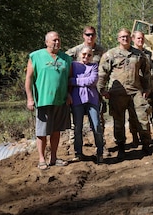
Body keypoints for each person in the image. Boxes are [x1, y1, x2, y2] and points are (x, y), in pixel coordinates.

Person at [97, 28, 152, 159]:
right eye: (122, 37)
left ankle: (146, 145)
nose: (125, 39)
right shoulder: (110, 55)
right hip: (117, 93)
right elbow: (102, 73)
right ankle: (121, 146)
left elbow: (146, 72)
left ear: (131, 38)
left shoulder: (138, 54)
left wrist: (147, 88)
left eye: (127, 36)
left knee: (142, 118)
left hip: (135, 91)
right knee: (118, 121)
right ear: (118, 39)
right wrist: (102, 90)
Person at [25, 31, 72, 170]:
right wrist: (30, 98)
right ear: (46, 42)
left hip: (60, 100)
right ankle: (41, 158)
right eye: (54, 40)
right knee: (42, 132)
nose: (57, 43)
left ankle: (54, 157)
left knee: (56, 131)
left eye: (58, 40)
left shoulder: (66, 58)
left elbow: (69, 78)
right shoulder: (36, 56)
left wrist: (69, 93)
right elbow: (28, 78)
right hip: (43, 100)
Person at [66, 26, 107, 148]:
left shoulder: (101, 51)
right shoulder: (76, 50)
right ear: (83, 35)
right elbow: (64, 60)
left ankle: (101, 146)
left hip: (96, 90)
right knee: (76, 123)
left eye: (93, 34)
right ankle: (73, 146)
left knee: (98, 120)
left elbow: (105, 68)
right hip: (77, 93)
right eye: (88, 34)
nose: (90, 37)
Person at [69, 46, 104, 164]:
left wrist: (76, 81)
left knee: (96, 126)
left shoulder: (94, 66)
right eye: (84, 54)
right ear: (79, 54)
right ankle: (78, 153)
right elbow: (69, 80)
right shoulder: (73, 66)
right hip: (77, 100)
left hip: (92, 100)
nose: (86, 57)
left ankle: (100, 152)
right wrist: (81, 80)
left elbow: (92, 81)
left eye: (89, 55)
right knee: (77, 128)